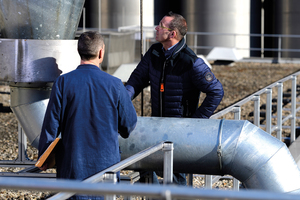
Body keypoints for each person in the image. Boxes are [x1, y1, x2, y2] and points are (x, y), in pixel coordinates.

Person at [125, 12, 224, 185]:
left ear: (172, 34)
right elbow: (136, 80)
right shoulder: (154, 53)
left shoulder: (191, 62)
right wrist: (122, 101)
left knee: (176, 177)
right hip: (156, 126)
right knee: (145, 167)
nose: (156, 28)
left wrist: (197, 121)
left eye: (161, 26)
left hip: (180, 132)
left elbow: (216, 91)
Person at [38, 31, 137, 199]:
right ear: (101, 52)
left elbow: (51, 124)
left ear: (79, 51)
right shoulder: (115, 84)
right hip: (106, 167)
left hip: (72, 166)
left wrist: (44, 156)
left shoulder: (63, 82)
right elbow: (129, 124)